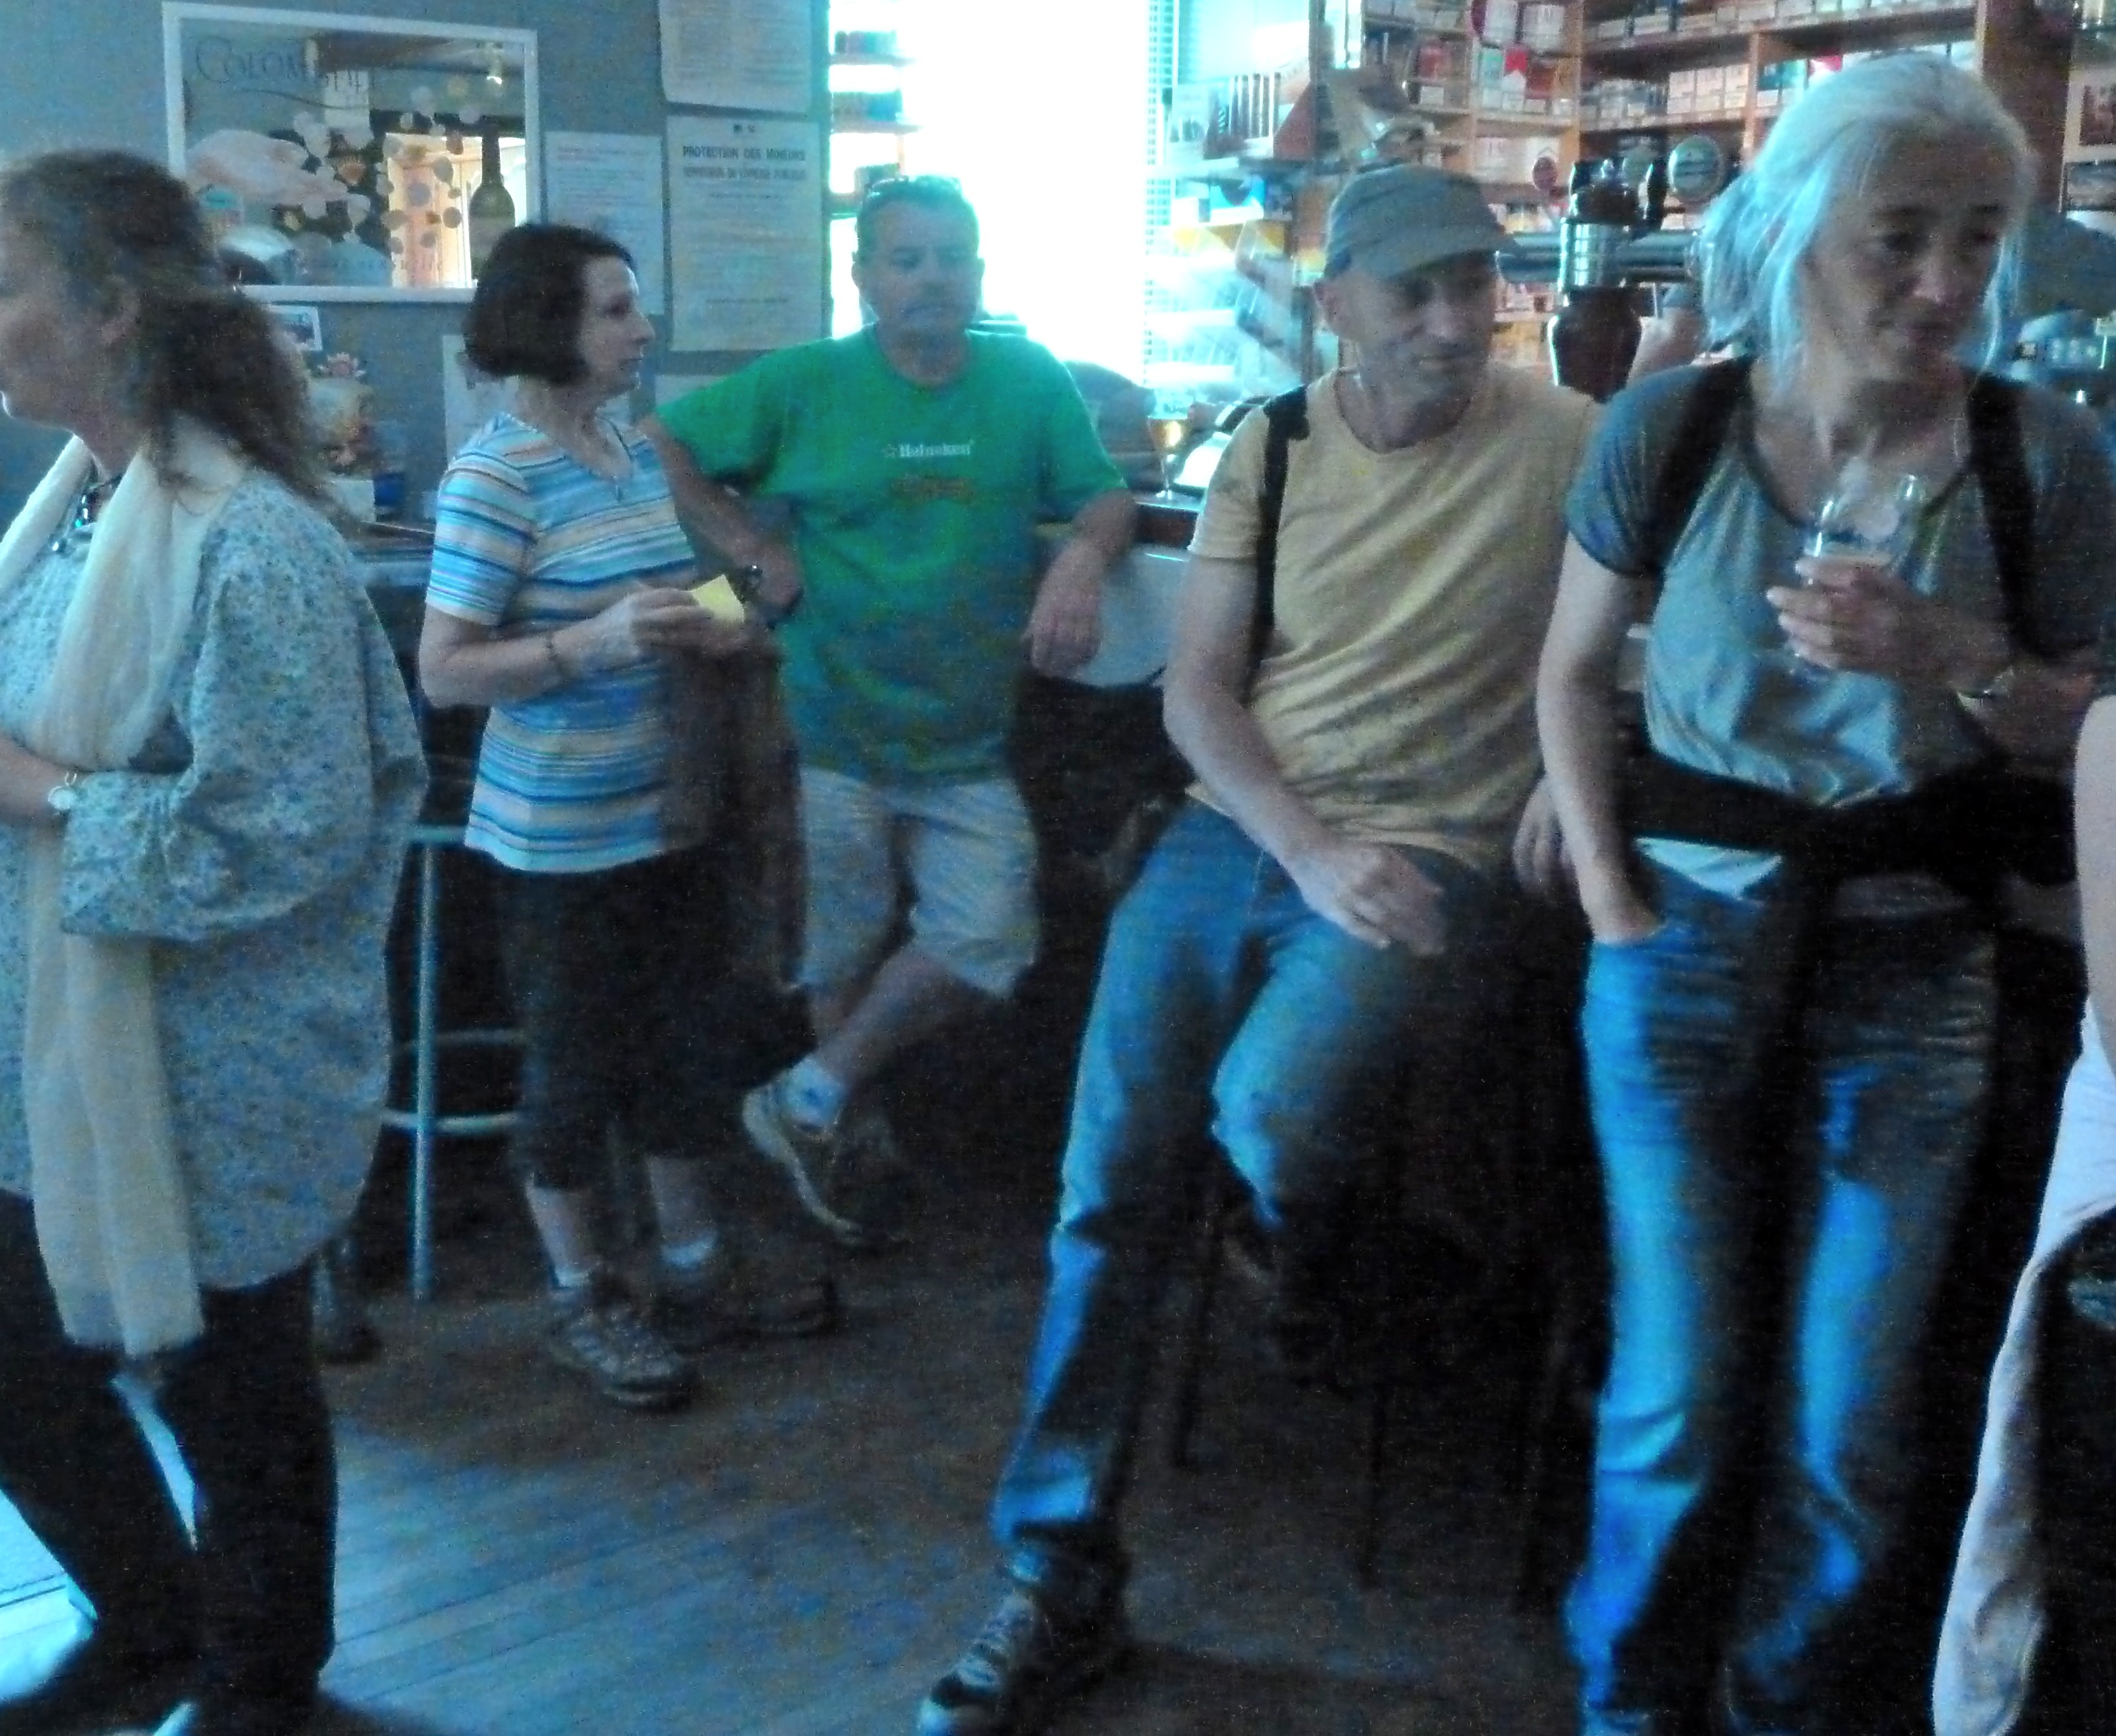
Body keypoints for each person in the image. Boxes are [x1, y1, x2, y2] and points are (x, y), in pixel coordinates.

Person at [913, 164, 1598, 1736]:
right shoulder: (1273, 446)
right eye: (1415, 290)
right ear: (1336, 304)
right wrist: (1309, 847)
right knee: (1108, 1184)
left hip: (1439, 846)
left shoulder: (1571, 439)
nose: (1453, 321)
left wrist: (1570, 774)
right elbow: (1197, 692)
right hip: (1250, 832)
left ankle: (1329, 1266)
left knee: (1281, 1111)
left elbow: (1654, 619)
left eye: (1476, 284)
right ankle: (1059, 1570)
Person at [1535, 54, 2116, 1735]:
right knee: (1674, 1394)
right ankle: (1630, 1705)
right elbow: (1569, 672)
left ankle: (1783, 1705)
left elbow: (2090, 727)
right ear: (1798, 226)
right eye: (1901, 235)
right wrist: (1612, 900)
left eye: (1981, 237)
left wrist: (1953, 655)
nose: (1946, 281)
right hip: (1682, 945)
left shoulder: (2042, 454)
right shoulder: (1673, 427)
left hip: (1914, 959)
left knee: (1851, 1415)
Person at [0, 148, 424, 1736]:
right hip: (44, 1062)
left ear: (110, 309)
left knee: (233, 1398)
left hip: (200, 1072)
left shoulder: (255, 544)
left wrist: (45, 797)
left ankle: (261, 1678)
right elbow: (78, 685)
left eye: (1, 286)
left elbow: (284, 833)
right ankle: (156, 1619)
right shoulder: (83, 506)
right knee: (9, 1378)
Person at [646, 175, 1135, 1249]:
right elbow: (661, 441)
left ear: (980, 272)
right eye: (906, 259)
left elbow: (1104, 494)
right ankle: (843, 1150)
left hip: (967, 744)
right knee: (843, 952)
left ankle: (807, 1095)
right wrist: (749, 550)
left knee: (993, 937)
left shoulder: (1027, 379)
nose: (931, 278)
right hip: (828, 730)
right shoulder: (807, 381)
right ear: (864, 276)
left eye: (951, 258)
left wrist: (1081, 561)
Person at [420, 223, 839, 1412]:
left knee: (685, 1059)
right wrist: (586, 646)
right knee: (575, 1074)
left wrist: (728, 605)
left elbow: (667, 599)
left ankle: (697, 1273)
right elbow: (447, 670)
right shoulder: (495, 477)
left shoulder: (626, 447)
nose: (643, 330)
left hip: (670, 815)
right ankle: (582, 1297)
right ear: (545, 325)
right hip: (559, 843)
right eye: (615, 310)